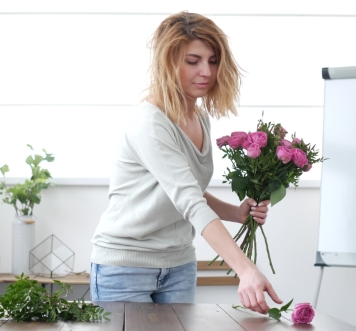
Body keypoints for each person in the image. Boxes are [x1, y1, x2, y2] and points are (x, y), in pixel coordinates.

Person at [90, 11, 282, 314]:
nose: (206, 71)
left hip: (179, 265)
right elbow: (188, 200)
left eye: (213, 60)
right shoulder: (150, 123)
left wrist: (236, 212)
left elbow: (182, 189)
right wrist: (245, 269)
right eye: (193, 61)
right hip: (126, 268)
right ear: (168, 63)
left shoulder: (199, 117)